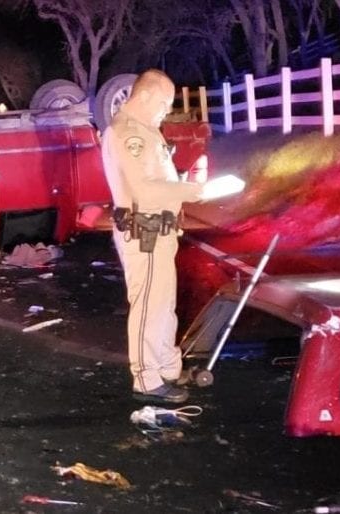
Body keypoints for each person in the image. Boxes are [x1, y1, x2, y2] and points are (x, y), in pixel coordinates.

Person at [101, 70, 206, 404]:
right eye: (164, 102)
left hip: (158, 231)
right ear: (144, 96)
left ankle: (168, 368)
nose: (166, 110)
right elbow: (145, 187)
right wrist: (194, 191)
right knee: (148, 305)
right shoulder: (127, 132)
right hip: (143, 231)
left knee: (164, 305)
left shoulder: (146, 130)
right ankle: (146, 379)